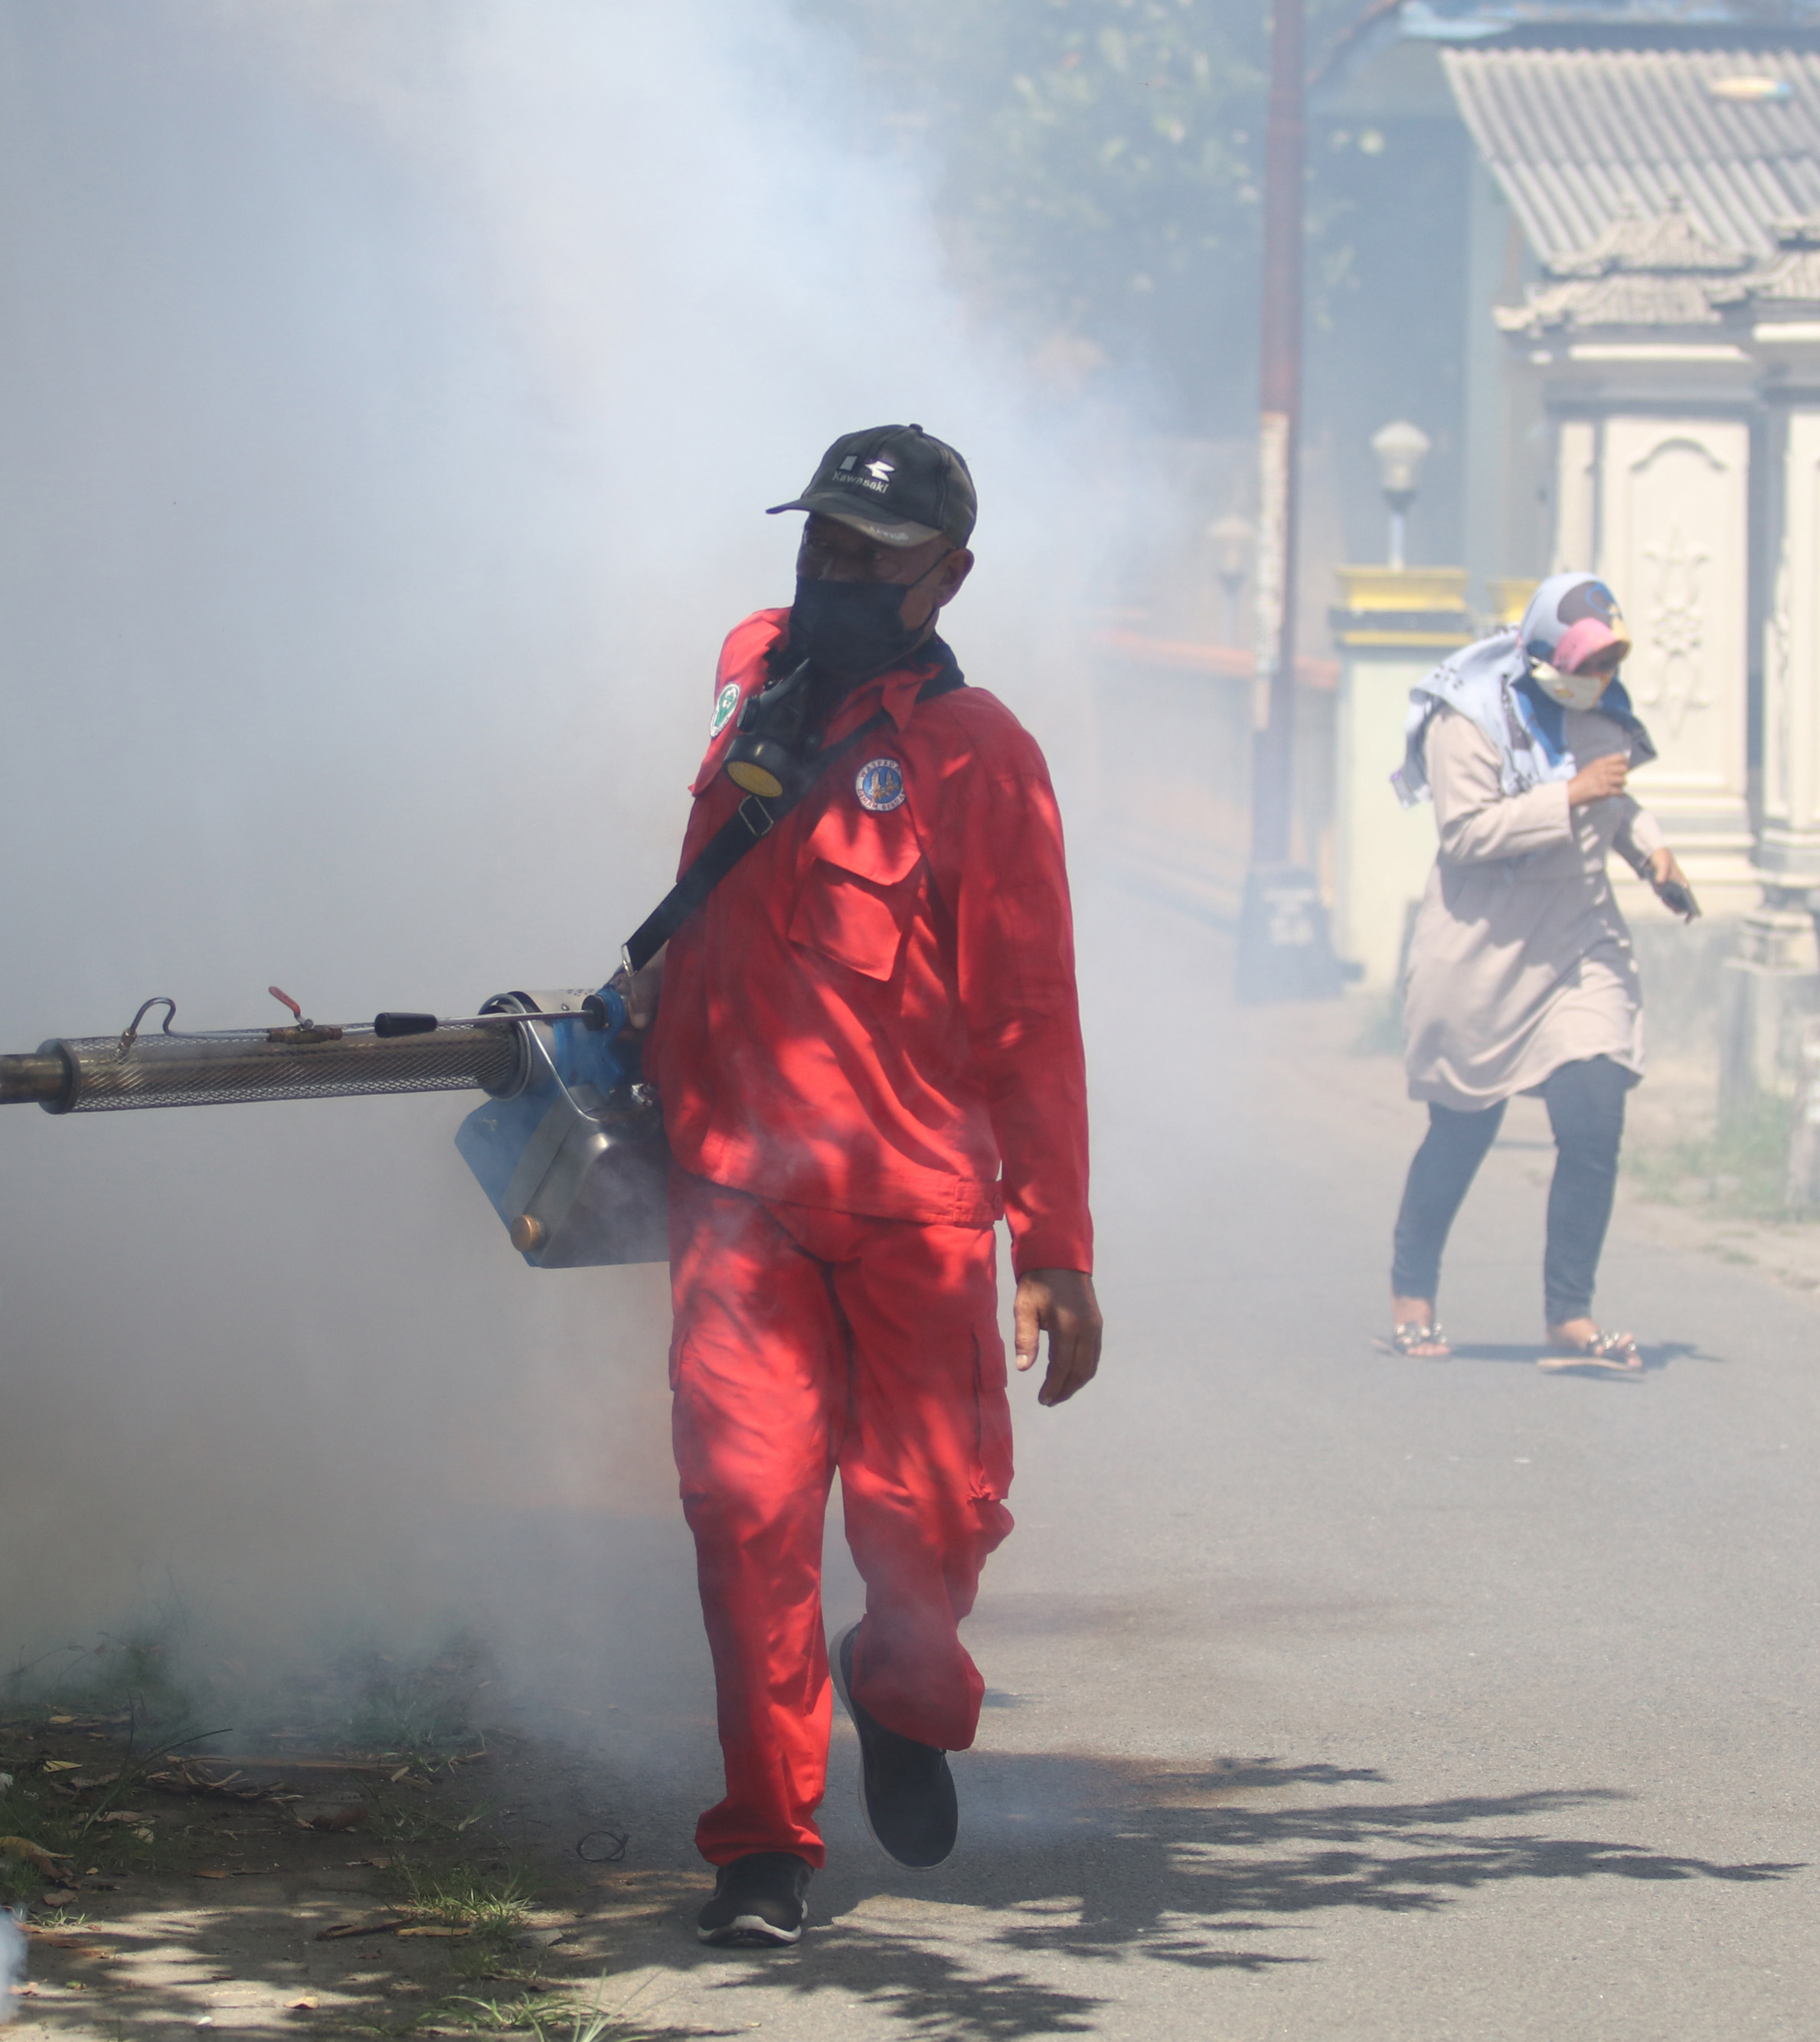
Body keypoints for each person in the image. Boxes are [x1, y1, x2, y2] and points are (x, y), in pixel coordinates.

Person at [618, 424, 1103, 1948]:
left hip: (913, 1212)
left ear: (944, 577)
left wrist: (1057, 1245)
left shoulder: (984, 761)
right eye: (819, 540)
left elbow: (1029, 1017)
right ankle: (762, 1842)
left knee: (928, 1520)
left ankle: (903, 1690)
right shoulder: (750, 673)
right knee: (745, 1507)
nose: (831, 571)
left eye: (869, 555)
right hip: (737, 1198)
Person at [1384, 570, 1696, 1373]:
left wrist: (1651, 855)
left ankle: (1569, 1316)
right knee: (1462, 1127)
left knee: (1593, 1119)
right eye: (1589, 664)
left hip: (1576, 942)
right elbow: (1464, 835)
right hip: (1484, 950)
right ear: (1545, 656)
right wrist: (1568, 797)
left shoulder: (1602, 719)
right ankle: (1411, 1293)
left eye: (1612, 663)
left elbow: (1617, 799)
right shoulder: (1472, 721)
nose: (1602, 680)